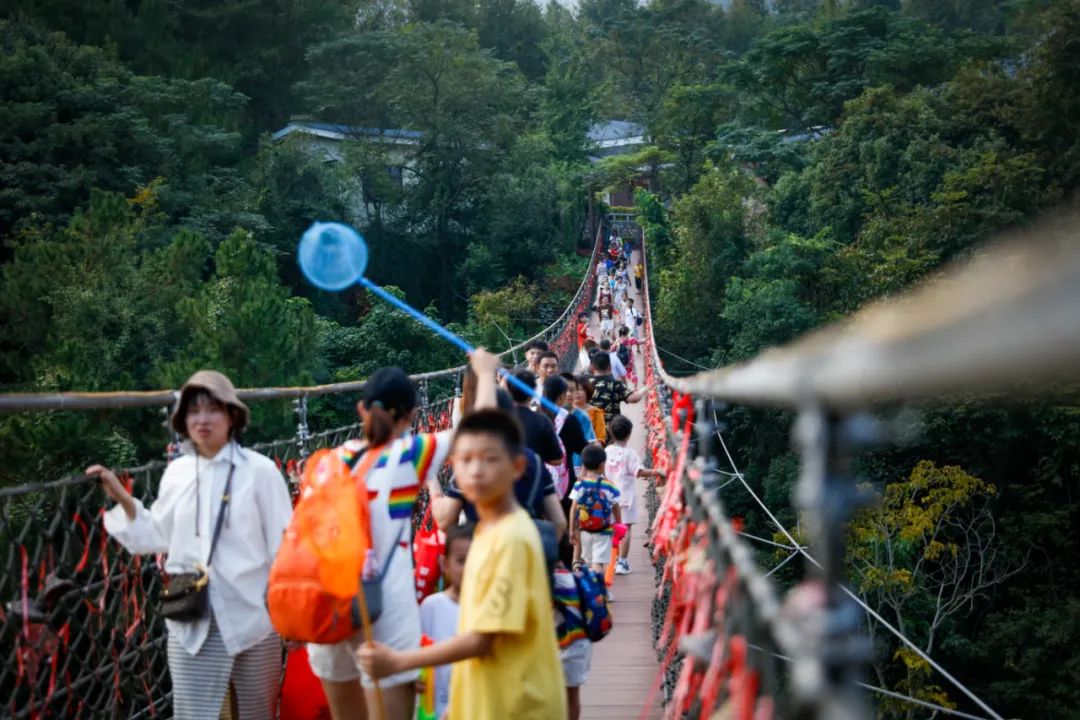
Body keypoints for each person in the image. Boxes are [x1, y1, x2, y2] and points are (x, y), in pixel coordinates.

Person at [88, 370, 293, 720]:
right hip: (192, 622)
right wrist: (125, 500)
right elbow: (156, 536)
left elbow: (285, 547)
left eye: (212, 409)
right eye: (193, 411)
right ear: (183, 420)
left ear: (232, 416)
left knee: (258, 712)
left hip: (254, 619)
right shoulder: (178, 473)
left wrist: (290, 617)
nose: (202, 419)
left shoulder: (260, 472)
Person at [305, 357, 496, 720]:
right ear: (411, 416)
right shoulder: (410, 455)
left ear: (361, 408)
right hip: (385, 609)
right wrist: (486, 373)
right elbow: (483, 431)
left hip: (329, 608)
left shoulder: (326, 463)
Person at [357, 407, 568, 720]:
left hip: (518, 704)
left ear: (518, 467)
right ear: (454, 469)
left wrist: (398, 662)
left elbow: (483, 641)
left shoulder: (510, 539)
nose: (477, 471)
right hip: (495, 698)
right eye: (466, 460)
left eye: (490, 459)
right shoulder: (489, 529)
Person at [435, 388, 567, 543]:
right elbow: (559, 522)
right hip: (528, 553)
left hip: (483, 554)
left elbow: (445, 521)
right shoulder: (533, 460)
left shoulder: (472, 465)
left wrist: (431, 481)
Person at [419, 523, 474, 719]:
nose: (469, 568)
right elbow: (420, 657)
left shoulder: (488, 610)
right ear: (444, 564)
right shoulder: (431, 607)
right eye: (461, 560)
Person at [603, 416, 662, 575]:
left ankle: (611, 559)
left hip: (608, 496)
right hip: (626, 498)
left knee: (611, 528)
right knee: (626, 529)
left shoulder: (606, 452)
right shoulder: (630, 454)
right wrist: (657, 472)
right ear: (629, 434)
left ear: (611, 432)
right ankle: (622, 562)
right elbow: (639, 472)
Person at [569, 444, 621, 583]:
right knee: (598, 563)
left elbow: (573, 508)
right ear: (602, 465)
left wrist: (571, 530)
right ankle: (598, 591)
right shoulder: (609, 485)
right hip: (603, 531)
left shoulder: (579, 485)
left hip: (584, 530)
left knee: (588, 562)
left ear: (583, 465)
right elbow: (616, 507)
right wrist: (619, 525)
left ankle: (589, 590)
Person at [553, 562, 591, 720]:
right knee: (571, 696)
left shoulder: (543, 579)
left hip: (563, 643)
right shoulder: (571, 578)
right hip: (577, 641)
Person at [507, 368, 564, 466]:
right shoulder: (541, 420)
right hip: (534, 476)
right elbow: (557, 460)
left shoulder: (496, 420)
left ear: (507, 389)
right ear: (533, 390)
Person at [588, 352, 644, 425]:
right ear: (610, 367)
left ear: (593, 368)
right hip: (612, 429)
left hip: (592, 430)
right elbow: (633, 398)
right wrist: (643, 390)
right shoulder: (615, 384)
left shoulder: (586, 383)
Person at [575, 376, 607, 446]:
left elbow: (600, 439)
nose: (577, 392)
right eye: (574, 389)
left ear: (587, 391)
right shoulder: (566, 412)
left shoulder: (596, 412)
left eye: (581, 389)